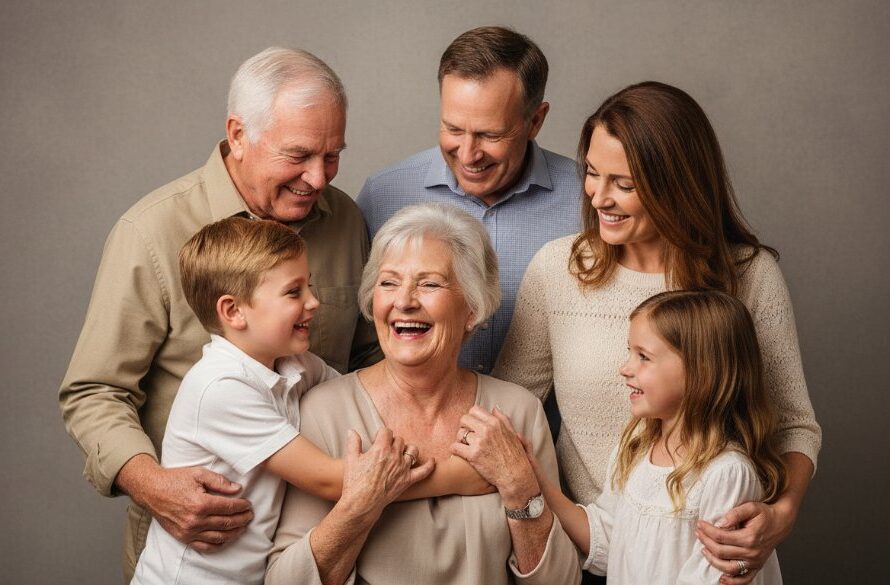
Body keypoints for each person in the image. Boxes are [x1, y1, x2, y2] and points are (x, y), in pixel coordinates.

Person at [59, 47, 382, 581]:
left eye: (333, 155)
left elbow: (368, 358)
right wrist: (155, 484)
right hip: (195, 543)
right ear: (238, 134)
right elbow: (94, 392)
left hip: (314, 538)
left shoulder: (345, 219)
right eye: (298, 154)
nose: (318, 178)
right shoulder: (150, 232)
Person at [493, 81, 821, 583]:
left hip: (702, 555)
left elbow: (794, 423)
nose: (599, 197)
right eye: (592, 174)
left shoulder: (749, 275)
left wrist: (781, 515)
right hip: (593, 544)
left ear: (677, 184)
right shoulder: (558, 269)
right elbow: (510, 405)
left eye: (623, 184)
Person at [265, 203, 581, 585]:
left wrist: (519, 487)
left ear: (472, 308)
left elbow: (561, 581)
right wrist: (361, 506)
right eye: (389, 282)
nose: (404, 301)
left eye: (429, 283)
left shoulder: (517, 411)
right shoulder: (323, 411)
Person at [356, 26, 580, 375]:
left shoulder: (588, 201)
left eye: (490, 135)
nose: (469, 154)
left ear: (535, 120)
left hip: (540, 427)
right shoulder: (383, 195)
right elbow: (361, 334)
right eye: (453, 129)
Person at [525, 290, 786, 583]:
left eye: (643, 357)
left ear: (701, 371)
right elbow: (609, 541)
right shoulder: (636, 449)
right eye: (630, 353)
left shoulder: (726, 475)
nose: (625, 368)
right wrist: (537, 485)